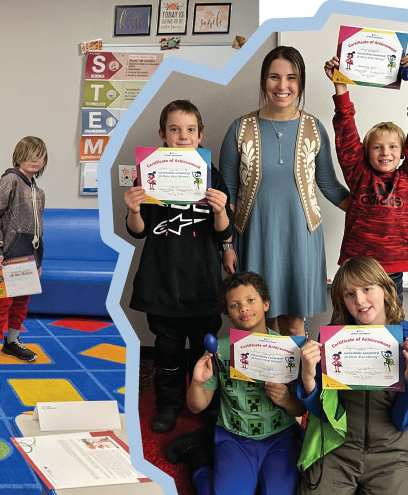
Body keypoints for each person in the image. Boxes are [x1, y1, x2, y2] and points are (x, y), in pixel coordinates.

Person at [217, 45, 351, 337]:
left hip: (300, 240)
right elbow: (225, 196)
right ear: (264, 80)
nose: (282, 86)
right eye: (274, 77)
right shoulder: (239, 128)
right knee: (256, 325)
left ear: (300, 83)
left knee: (293, 324)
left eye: (291, 78)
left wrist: (369, 209)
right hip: (253, 239)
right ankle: (261, 384)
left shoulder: (314, 128)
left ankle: (292, 384)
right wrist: (227, 245)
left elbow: (328, 185)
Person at [127, 100, 233, 433]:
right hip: (162, 280)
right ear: (162, 134)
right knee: (167, 351)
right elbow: (138, 231)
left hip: (202, 282)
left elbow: (225, 233)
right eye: (175, 129)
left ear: (200, 135)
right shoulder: (148, 172)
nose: (183, 136)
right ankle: (168, 405)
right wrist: (132, 209)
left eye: (190, 130)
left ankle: (203, 403)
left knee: (204, 349)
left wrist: (220, 211)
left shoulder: (211, 173)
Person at [296, 257, 408, 494]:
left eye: (367, 289)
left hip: (392, 450)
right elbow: (323, 414)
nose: (359, 300)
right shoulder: (333, 339)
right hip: (339, 447)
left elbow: (406, 421)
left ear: (386, 290)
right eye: (349, 294)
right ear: (342, 301)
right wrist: (308, 378)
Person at [325, 53, 408, 299]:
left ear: (404, 152)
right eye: (377, 147)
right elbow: (345, 127)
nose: (385, 152)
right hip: (356, 269)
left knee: (390, 330)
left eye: (393, 147)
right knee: (354, 329)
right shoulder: (358, 173)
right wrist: (339, 84)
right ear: (366, 152)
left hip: (391, 273)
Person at [187, 272, 305, 494]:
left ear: (266, 304)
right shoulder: (219, 350)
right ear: (229, 315)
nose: (243, 308)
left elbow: (300, 408)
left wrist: (287, 400)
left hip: (280, 436)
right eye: (234, 305)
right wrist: (197, 382)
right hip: (234, 437)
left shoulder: (287, 349)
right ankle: (198, 461)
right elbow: (196, 406)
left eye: (251, 300)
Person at [0, 136, 50, 376]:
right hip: (8, 254)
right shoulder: (10, 180)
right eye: (30, 154)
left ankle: (11, 341)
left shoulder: (38, 192)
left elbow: (38, 228)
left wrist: (38, 259)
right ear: (19, 156)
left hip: (28, 256)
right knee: (1, 306)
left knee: (21, 302)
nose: (35, 160)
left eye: (40, 156)